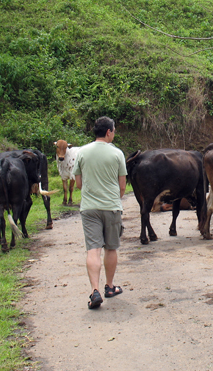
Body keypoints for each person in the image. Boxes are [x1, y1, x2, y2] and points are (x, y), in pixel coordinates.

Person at [73, 116, 127, 309]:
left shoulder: (81, 152)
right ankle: (110, 287)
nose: (114, 133)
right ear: (108, 132)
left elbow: (78, 184)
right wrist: (114, 197)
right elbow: (122, 186)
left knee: (93, 249)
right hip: (111, 206)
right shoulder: (117, 154)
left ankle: (94, 290)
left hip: (89, 208)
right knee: (111, 248)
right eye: (114, 130)